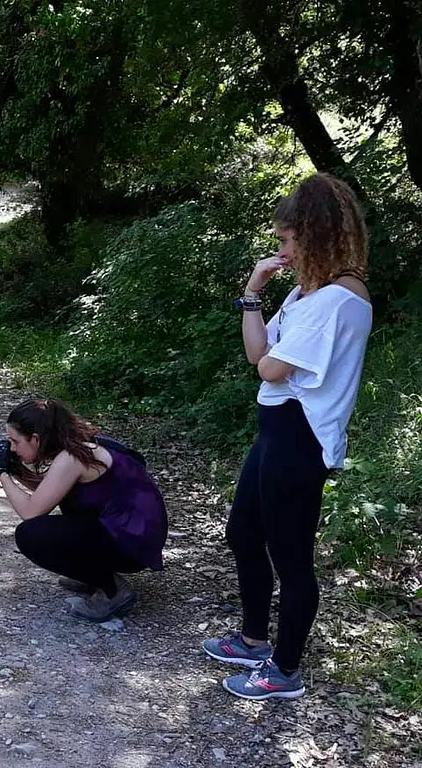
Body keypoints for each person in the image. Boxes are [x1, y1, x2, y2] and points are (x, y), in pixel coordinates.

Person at [203, 172, 372, 700]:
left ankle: (285, 670)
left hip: (300, 439)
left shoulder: (337, 302)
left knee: (292, 558)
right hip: (274, 432)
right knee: (243, 534)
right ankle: (254, 638)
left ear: (313, 234)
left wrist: (270, 354)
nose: (280, 249)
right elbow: (259, 354)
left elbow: (272, 370)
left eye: (285, 239)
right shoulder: (307, 294)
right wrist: (253, 294)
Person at [0, 398, 168, 622]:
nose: (12, 448)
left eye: (15, 441)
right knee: (63, 521)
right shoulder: (78, 445)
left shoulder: (71, 457)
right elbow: (50, 489)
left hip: (131, 544)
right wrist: (16, 472)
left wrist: (1, 476)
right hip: (133, 534)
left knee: (31, 535)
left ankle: (112, 591)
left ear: (36, 438)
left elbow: (31, 512)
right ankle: (94, 576)